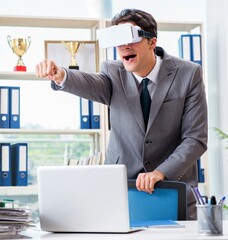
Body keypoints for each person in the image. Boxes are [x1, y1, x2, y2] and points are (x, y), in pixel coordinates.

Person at [36, 8, 208, 220]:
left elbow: (196, 139)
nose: (124, 46)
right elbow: (90, 83)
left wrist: (160, 172)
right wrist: (61, 75)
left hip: (173, 189)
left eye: (131, 38)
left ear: (152, 42)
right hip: (120, 191)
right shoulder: (112, 71)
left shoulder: (189, 74)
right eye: (118, 39)